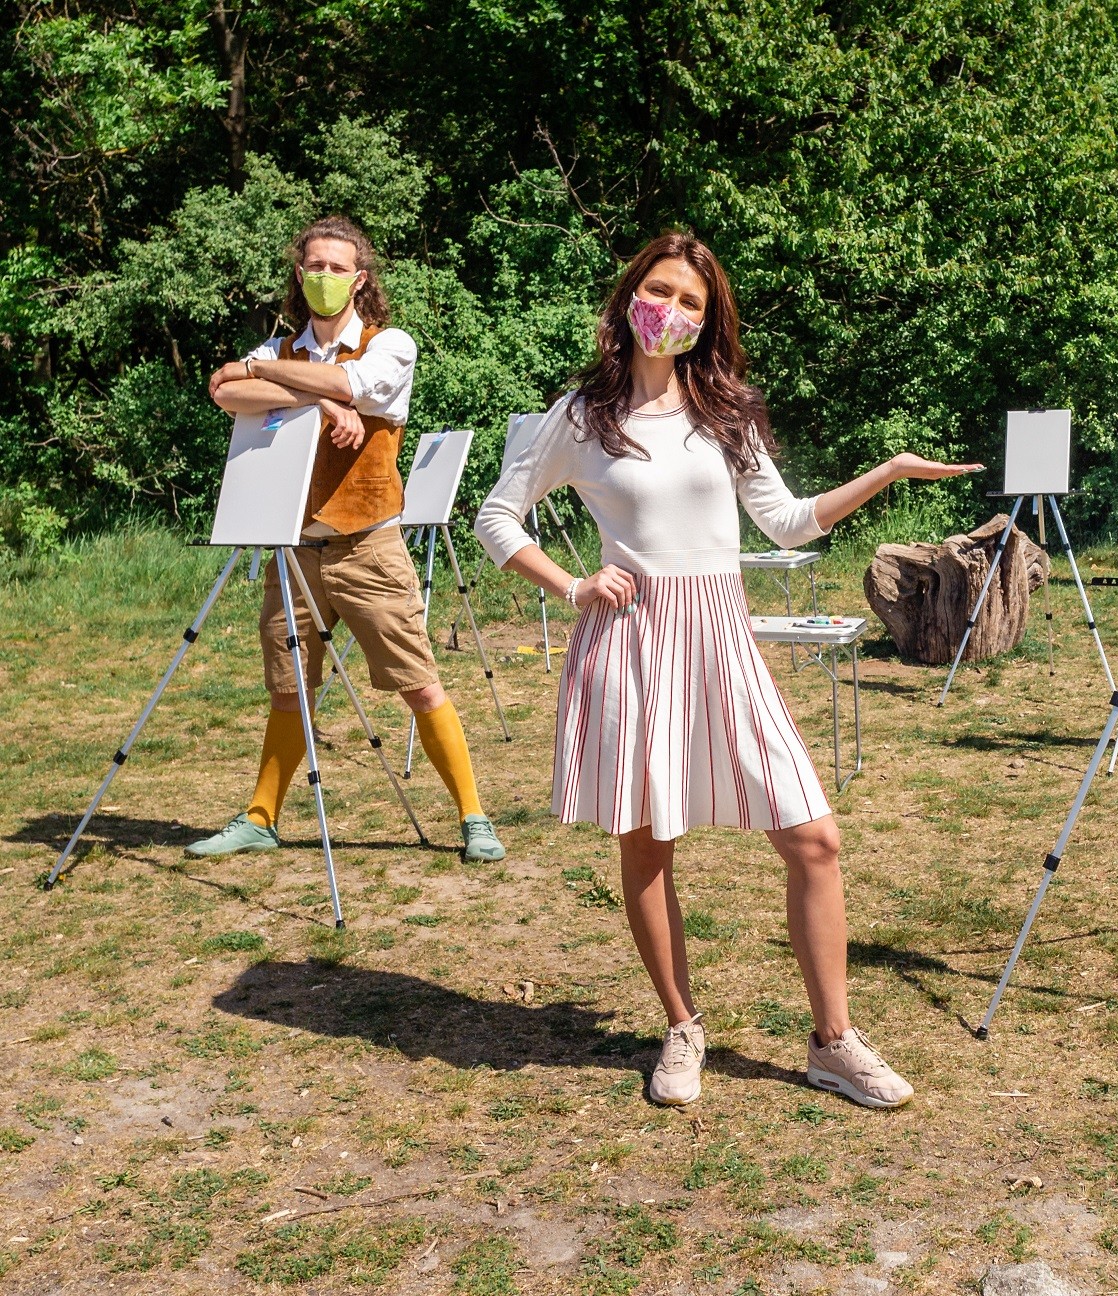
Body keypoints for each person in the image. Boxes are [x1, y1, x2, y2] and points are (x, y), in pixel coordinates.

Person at [475, 232, 979, 1110]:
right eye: (659, 290)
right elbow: (497, 516)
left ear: (708, 322)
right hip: (632, 642)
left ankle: (833, 1042)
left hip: (721, 639)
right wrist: (572, 585)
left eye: (691, 302)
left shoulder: (724, 412)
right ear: (630, 296)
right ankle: (681, 1026)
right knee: (647, 843)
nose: (670, 310)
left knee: (813, 839)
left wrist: (888, 471)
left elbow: (786, 522)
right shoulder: (581, 416)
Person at [201, 216, 504, 863]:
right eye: (315, 265)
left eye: (337, 268)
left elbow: (351, 384)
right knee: (289, 689)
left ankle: (474, 817)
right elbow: (224, 389)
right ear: (299, 272)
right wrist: (316, 401)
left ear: (360, 279)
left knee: (418, 682)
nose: (325, 276)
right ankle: (260, 818)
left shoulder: (388, 343)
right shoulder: (282, 346)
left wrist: (281, 380)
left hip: (369, 545)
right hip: (293, 548)